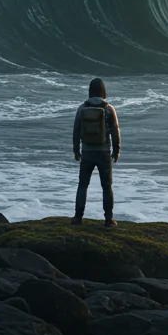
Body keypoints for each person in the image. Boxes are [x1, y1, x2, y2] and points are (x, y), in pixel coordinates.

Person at [72, 77, 121, 226]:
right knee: (106, 186)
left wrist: (76, 151)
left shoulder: (82, 108)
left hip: (87, 152)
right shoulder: (108, 108)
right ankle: (108, 219)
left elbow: (76, 131)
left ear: (90, 91)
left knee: (83, 185)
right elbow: (115, 131)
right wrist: (116, 150)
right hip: (103, 153)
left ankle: (78, 218)